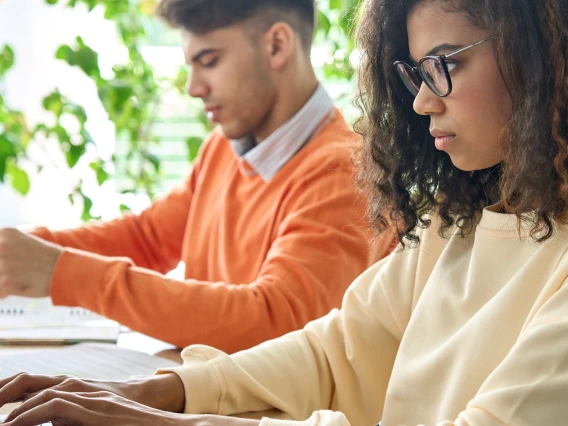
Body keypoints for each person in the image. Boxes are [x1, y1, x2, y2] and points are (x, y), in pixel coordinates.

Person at [3, 0, 568, 424]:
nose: (422, 101)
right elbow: (337, 348)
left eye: (443, 64)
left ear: (538, 55)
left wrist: (178, 414)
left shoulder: (335, 168)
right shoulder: (458, 219)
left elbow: (274, 316)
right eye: (417, 74)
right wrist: (165, 392)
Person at [0, 0, 394, 351]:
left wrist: (63, 273)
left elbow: (274, 323)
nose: (193, 87)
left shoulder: (344, 170)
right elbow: (147, 239)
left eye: (209, 61)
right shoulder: (224, 148)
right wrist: (18, 254)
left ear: (277, 45)